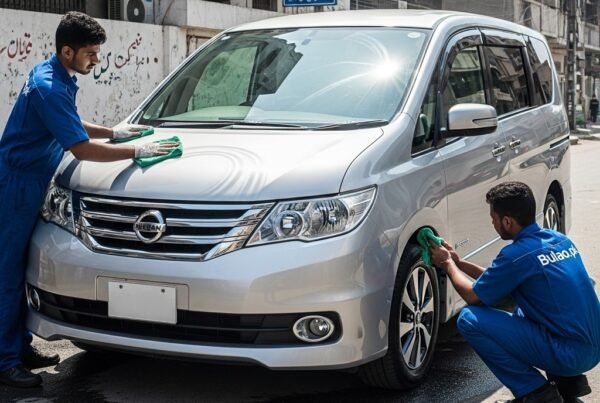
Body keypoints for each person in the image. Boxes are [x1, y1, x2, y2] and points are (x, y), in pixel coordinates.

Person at [0, 12, 178, 388]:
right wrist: (135, 152)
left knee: (21, 265)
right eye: (91, 53)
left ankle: (19, 345)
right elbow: (80, 148)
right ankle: (4, 361)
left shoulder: (55, 75)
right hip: (17, 185)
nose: (96, 60)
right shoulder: (49, 86)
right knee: (8, 273)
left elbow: (70, 122)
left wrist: (114, 132)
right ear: (67, 51)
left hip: (32, 180)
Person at [429, 182, 599, 403]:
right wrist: (459, 263)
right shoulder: (557, 240)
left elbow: (473, 296)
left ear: (507, 221)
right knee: (523, 310)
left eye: (493, 218)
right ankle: (567, 385)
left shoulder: (515, 254)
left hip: (569, 355)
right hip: (592, 348)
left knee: (469, 319)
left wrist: (446, 265)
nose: (493, 223)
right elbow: (499, 278)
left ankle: (536, 393)